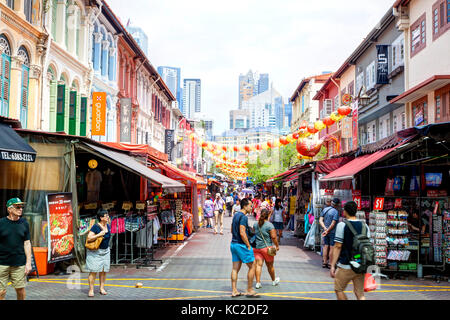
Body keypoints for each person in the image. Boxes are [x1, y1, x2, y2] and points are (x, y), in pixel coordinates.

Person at [330, 201, 370, 301]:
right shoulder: (365, 226)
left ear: (345, 211)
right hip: (361, 265)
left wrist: (332, 265)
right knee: (359, 293)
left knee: (338, 289)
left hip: (345, 265)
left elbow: (337, 246)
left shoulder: (342, 225)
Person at [0, 198, 32, 300]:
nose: (21, 209)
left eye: (21, 207)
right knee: (1, 291)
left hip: (19, 263)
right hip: (2, 263)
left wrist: (28, 263)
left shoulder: (24, 223)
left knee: (20, 290)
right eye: (18, 207)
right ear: (10, 209)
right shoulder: (1, 223)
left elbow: (27, 243)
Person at [230, 198, 258, 297]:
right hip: (241, 245)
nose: (251, 207)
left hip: (233, 244)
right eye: (250, 205)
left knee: (235, 268)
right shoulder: (244, 217)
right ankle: (249, 289)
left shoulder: (236, 215)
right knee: (253, 265)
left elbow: (231, 229)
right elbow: (242, 232)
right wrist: (248, 245)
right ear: (245, 206)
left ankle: (234, 290)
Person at [86, 209, 111, 297]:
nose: (108, 217)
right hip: (95, 252)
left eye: (108, 215)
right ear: (101, 218)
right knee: (93, 271)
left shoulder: (108, 225)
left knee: (103, 271)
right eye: (106, 216)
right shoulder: (96, 227)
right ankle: (91, 290)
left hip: (106, 251)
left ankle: (102, 288)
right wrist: (99, 234)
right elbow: (89, 238)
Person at [253, 208, 280, 289]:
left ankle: (258, 283)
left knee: (258, 265)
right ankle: (273, 281)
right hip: (267, 248)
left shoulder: (255, 224)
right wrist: (277, 246)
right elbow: (274, 237)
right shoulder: (269, 225)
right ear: (268, 215)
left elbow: (254, 234)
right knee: (270, 266)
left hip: (257, 248)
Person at [319, 198, 340, 268]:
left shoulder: (325, 209)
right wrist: (328, 230)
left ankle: (324, 262)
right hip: (332, 232)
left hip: (325, 231)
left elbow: (320, 220)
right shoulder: (336, 212)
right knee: (332, 247)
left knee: (325, 246)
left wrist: (325, 229)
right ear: (337, 205)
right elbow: (333, 224)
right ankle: (330, 263)